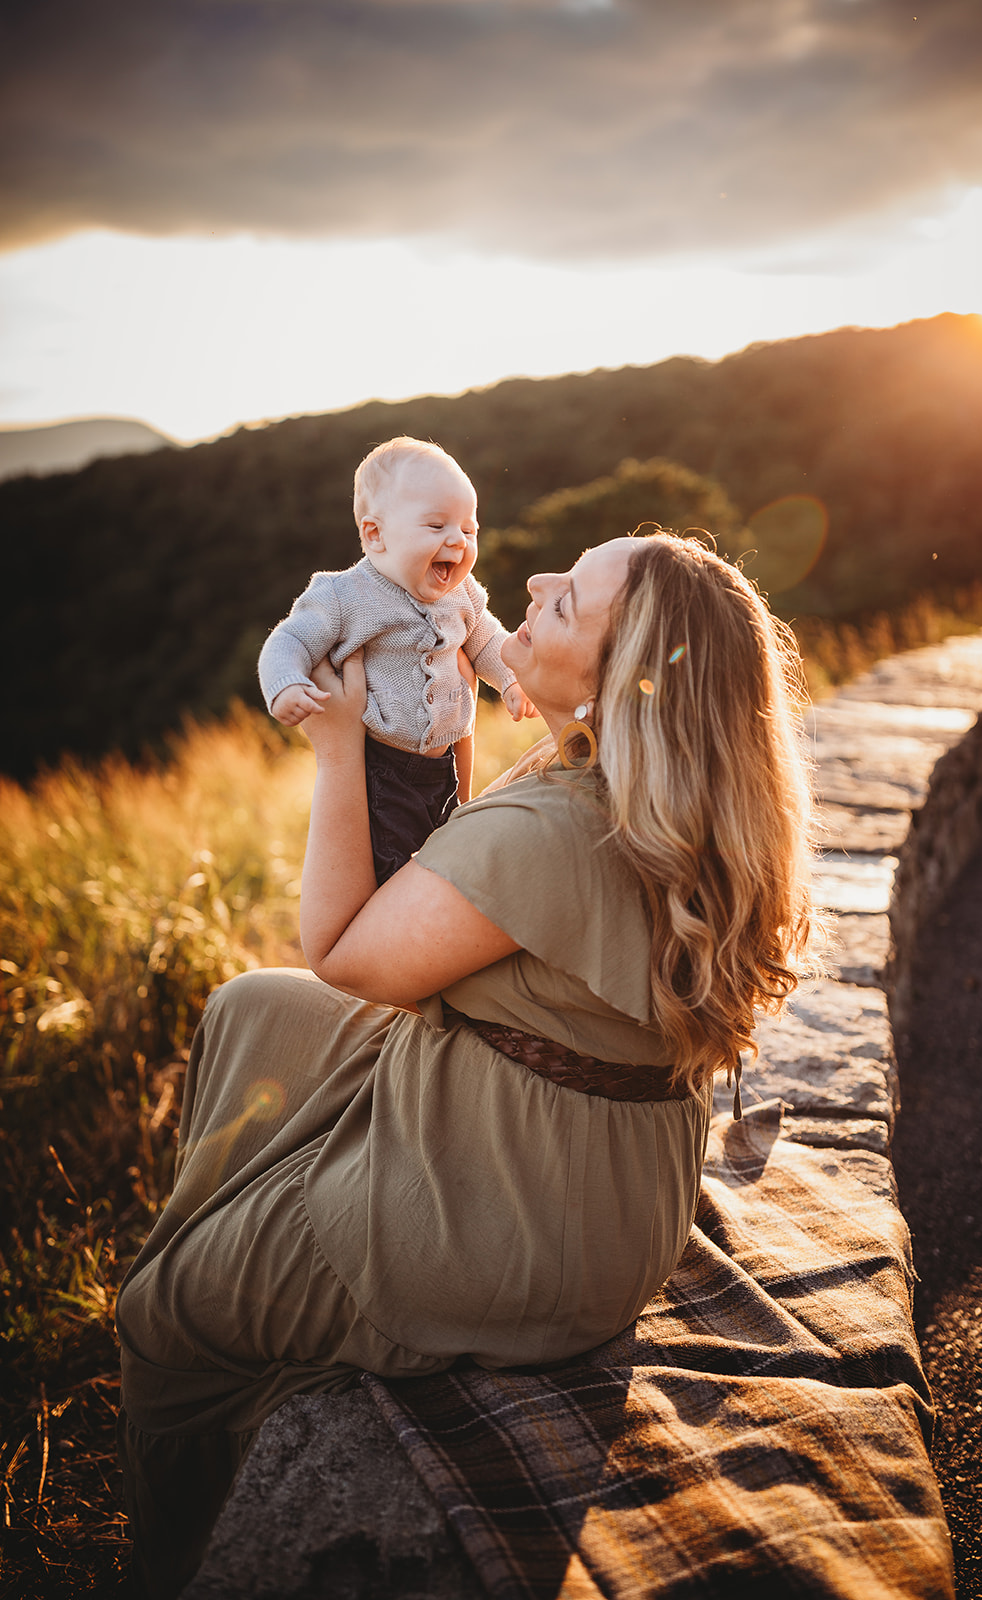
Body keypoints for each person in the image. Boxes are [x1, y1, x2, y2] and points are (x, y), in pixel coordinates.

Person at [116, 531, 817, 1597]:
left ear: (620, 682)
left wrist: (340, 746)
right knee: (251, 1009)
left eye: (568, 602)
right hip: (613, 1183)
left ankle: (172, 1559)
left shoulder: (554, 828)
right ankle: (270, 1312)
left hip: (517, 1213)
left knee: (161, 1309)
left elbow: (345, 951)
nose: (532, 586)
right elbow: (495, 928)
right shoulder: (661, 793)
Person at [258, 435, 535, 883]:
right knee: (393, 869)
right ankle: (385, 935)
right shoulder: (342, 595)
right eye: (436, 526)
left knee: (445, 855)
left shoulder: (461, 592)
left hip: (443, 765)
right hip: (381, 768)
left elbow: (485, 639)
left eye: (469, 529)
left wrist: (512, 680)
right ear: (375, 534)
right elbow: (289, 640)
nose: (458, 541)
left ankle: (426, 929)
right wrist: (285, 683)